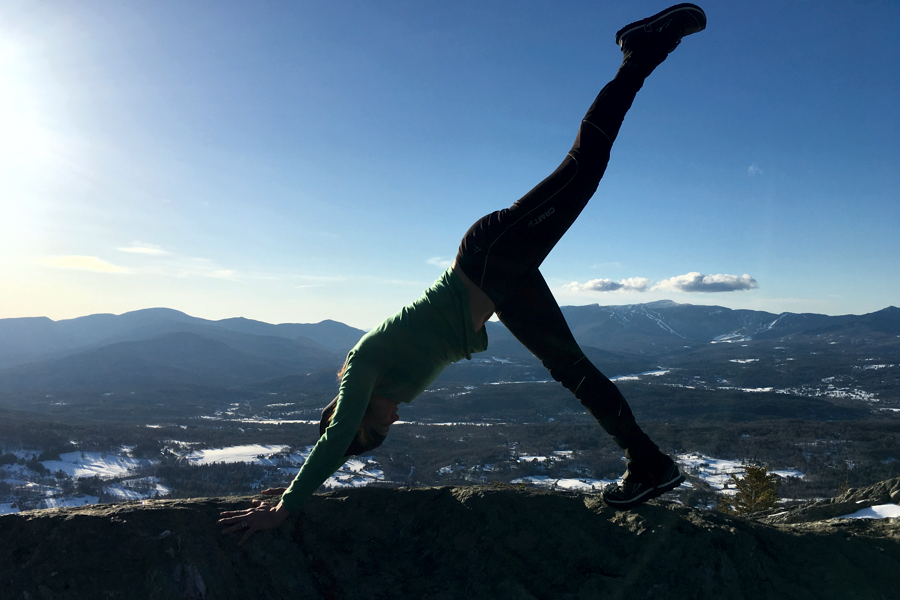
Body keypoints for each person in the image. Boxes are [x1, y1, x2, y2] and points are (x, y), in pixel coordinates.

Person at [219, 3, 707, 545]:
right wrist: (290, 491)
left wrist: (287, 505)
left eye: (378, 424)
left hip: (488, 255)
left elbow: (332, 443)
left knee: (583, 167)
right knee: (571, 368)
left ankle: (641, 51)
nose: (392, 421)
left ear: (352, 412)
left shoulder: (363, 365)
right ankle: (650, 465)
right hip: (503, 284)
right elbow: (342, 444)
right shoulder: (389, 387)